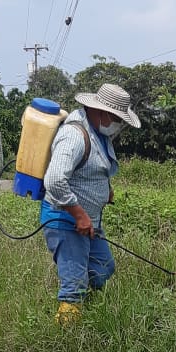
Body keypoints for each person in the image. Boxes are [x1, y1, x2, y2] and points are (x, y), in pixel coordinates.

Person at [40, 82, 140, 325]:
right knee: (74, 285)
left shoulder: (98, 134)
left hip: (88, 221)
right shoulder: (74, 135)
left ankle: (89, 313)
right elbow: (54, 180)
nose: (119, 124)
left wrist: (104, 190)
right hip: (66, 221)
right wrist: (79, 215)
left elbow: (90, 168)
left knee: (103, 268)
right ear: (101, 111)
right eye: (117, 118)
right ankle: (67, 336)